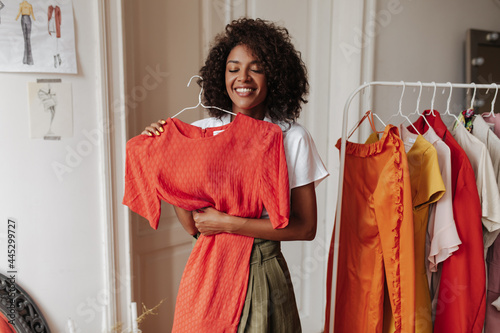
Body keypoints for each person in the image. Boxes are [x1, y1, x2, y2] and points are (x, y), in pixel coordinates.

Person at [141, 18, 328, 332]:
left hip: (263, 269)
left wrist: (228, 223)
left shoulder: (291, 137)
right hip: (209, 269)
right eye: (233, 68)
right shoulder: (200, 133)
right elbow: (194, 227)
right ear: (221, 74)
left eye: (256, 68)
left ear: (274, 76)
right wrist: (167, 157)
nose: (243, 78)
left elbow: (306, 227)